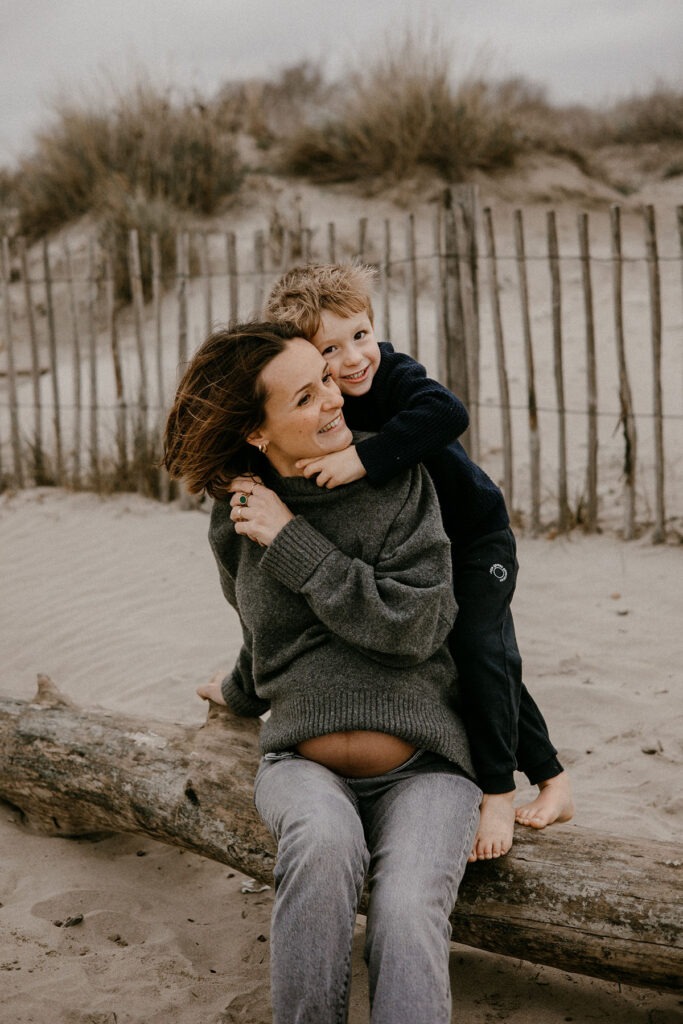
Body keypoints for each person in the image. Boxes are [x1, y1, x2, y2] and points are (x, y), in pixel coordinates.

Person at [163, 321, 482, 1024]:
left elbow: (416, 626)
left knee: (405, 907)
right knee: (320, 847)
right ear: (256, 431)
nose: (334, 400)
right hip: (302, 766)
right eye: (304, 397)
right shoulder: (236, 516)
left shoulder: (397, 479)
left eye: (328, 381)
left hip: (426, 764)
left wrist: (293, 543)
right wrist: (236, 690)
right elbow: (264, 638)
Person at [265, 263, 574, 862]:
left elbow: (447, 413)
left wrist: (366, 459)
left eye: (361, 334)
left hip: (473, 539)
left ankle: (497, 791)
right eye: (331, 348)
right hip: (417, 549)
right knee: (478, 659)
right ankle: (554, 777)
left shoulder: (396, 375)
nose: (355, 359)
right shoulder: (327, 399)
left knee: (482, 647)